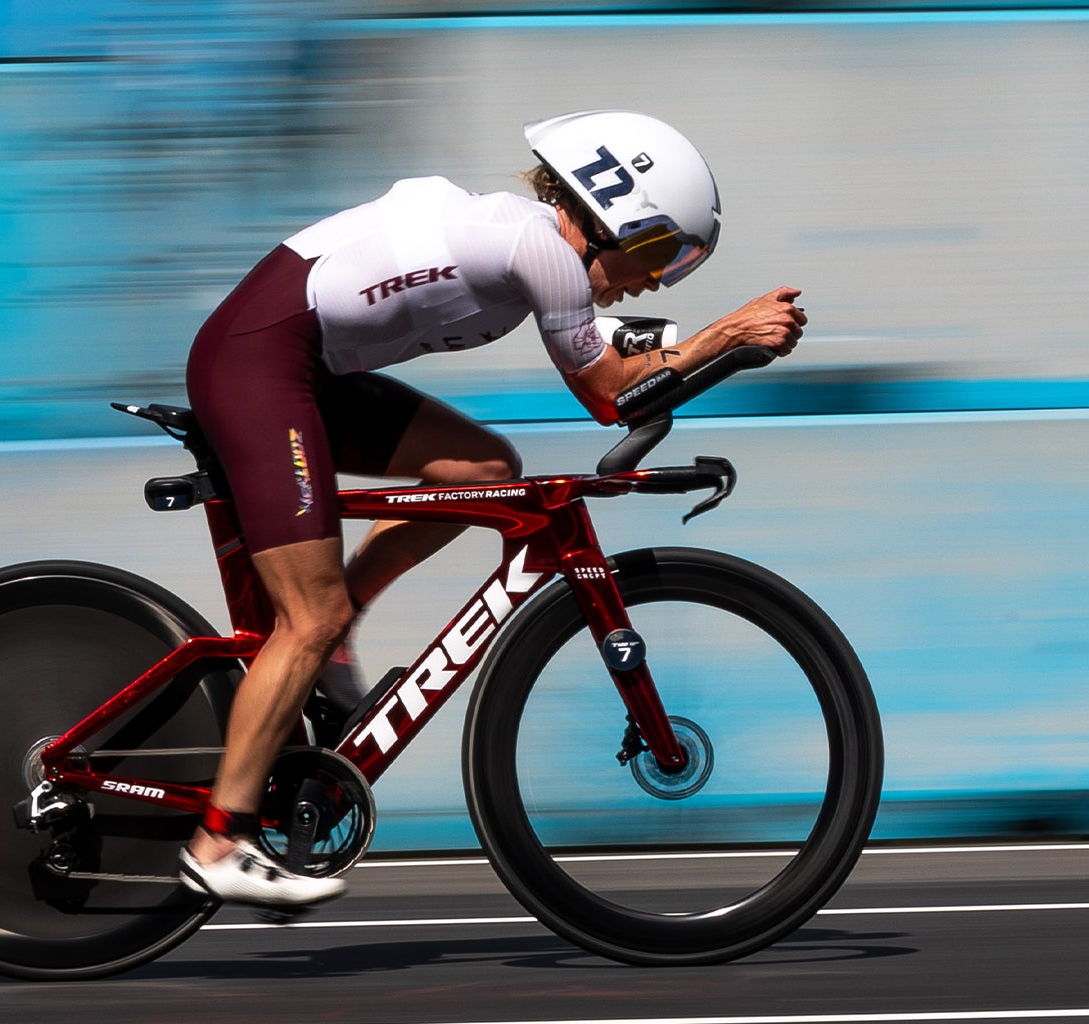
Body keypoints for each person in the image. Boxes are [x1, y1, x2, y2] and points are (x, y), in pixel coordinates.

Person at [176, 110, 806, 907]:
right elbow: (610, 394)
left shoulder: (528, 245)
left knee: (481, 467)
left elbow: (619, 352)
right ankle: (216, 840)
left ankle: (343, 624)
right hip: (260, 367)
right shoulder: (538, 248)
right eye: (656, 251)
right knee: (308, 614)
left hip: (303, 368)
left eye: (676, 263)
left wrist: (711, 343)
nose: (656, 277)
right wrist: (728, 334)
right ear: (607, 220)